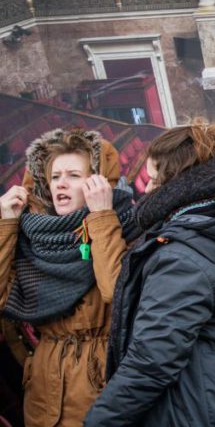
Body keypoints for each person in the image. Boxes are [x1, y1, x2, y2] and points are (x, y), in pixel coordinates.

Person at [85, 120, 215, 426]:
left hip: (194, 414)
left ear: (176, 184)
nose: (146, 190)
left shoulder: (181, 258)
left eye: (153, 180)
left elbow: (149, 364)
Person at [0, 128, 138, 427]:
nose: (61, 184)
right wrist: (6, 224)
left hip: (100, 387)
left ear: (98, 183)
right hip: (42, 393)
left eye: (74, 175)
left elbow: (116, 292)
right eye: (54, 177)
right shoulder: (32, 239)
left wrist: (101, 216)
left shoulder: (125, 228)